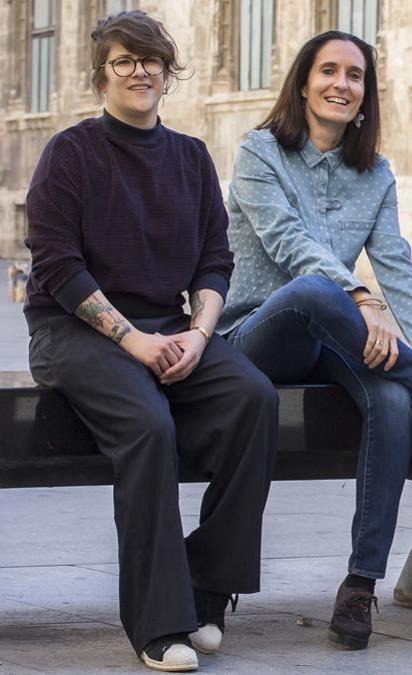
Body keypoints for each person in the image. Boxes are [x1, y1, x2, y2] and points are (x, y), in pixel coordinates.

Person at [219, 30, 412, 650]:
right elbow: (289, 245)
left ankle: (360, 584)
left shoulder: (374, 173)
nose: (341, 85)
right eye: (328, 71)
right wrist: (360, 298)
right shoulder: (259, 152)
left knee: (392, 395)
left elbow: (398, 264)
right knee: (314, 292)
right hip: (253, 336)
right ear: (302, 82)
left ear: (365, 95)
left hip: (332, 339)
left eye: (355, 76)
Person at [23, 10, 278, 671]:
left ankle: (206, 589)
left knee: (253, 396)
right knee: (147, 424)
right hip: (71, 326)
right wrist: (132, 339)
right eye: (123, 60)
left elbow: (216, 261)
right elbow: (55, 262)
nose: (139, 71)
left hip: (170, 325)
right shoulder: (71, 153)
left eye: (150, 60)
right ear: (101, 74)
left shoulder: (190, 157)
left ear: (168, 72)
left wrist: (199, 332)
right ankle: (157, 623)